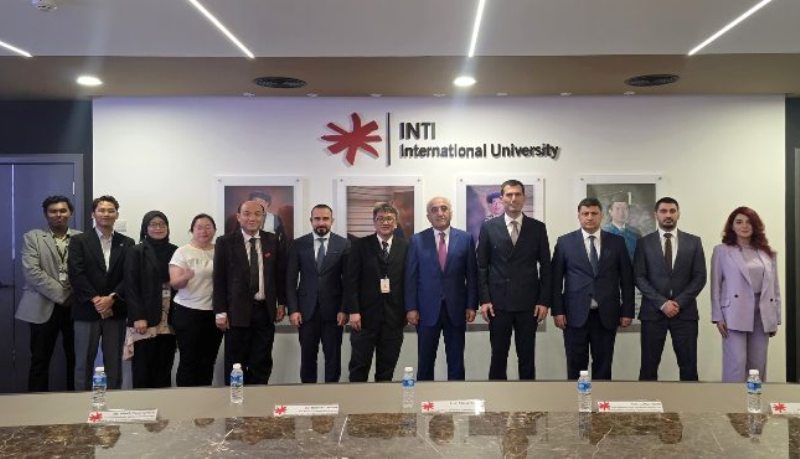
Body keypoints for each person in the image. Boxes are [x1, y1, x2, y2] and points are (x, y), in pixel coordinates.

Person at [551, 197, 634, 380]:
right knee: (576, 365)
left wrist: (627, 311)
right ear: (579, 216)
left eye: (594, 213)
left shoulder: (617, 242)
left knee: (603, 365)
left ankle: (601, 398)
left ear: (601, 215)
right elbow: (555, 280)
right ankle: (579, 397)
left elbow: (627, 280)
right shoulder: (565, 242)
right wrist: (557, 311)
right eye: (585, 213)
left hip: (606, 314)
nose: (589, 217)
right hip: (574, 315)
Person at [477, 179, 552, 380]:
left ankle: (528, 399)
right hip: (497, 304)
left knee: (527, 357)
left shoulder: (537, 228)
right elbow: (481, 266)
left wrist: (544, 301)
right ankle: (496, 398)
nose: (513, 199)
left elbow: (546, 267)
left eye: (517, 194)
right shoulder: (489, 227)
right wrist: (484, 300)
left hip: (529, 305)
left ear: (523, 198)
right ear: (502, 198)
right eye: (509, 194)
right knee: (498, 357)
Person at [214, 200, 287, 385]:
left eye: (257, 214)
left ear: (263, 217)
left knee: (261, 361)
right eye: (247, 214)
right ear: (238, 217)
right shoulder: (225, 242)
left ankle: (258, 400)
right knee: (236, 362)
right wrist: (220, 311)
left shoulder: (272, 240)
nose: (252, 218)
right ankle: (236, 399)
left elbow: (279, 275)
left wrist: (281, 302)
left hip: (265, 311)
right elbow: (219, 279)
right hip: (236, 312)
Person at [405, 197, 478, 381]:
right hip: (426, 311)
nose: (440, 213)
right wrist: (411, 307)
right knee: (425, 361)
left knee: (456, 361)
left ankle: (457, 396)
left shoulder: (466, 239)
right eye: (434, 209)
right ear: (428, 216)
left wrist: (471, 305)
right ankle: (424, 397)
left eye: (444, 208)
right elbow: (411, 277)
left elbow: (472, 275)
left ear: (450, 212)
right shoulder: (417, 240)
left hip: (456, 310)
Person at [634, 197, 707, 381]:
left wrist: (678, 303)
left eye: (672, 211)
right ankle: (646, 401)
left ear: (678, 214)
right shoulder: (644, 243)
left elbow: (700, 277)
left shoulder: (693, 242)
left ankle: (689, 400)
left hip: (685, 314)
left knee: (689, 367)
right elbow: (639, 277)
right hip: (653, 313)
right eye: (663, 211)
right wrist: (662, 303)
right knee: (648, 367)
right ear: (656, 215)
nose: (668, 215)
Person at [68, 195, 135, 390]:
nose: (106, 214)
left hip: (115, 310)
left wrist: (111, 298)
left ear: (116, 215)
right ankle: (81, 402)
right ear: (93, 214)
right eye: (101, 210)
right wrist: (97, 300)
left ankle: (112, 402)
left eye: (110, 210)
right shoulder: (79, 241)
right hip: (86, 310)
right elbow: (76, 273)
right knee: (83, 363)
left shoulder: (127, 242)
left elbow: (129, 275)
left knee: (114, 363)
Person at [16, 196, 81, 392]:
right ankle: (36, 403)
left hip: (75, 308)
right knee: (40, 360)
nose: (58, 214)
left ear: (70, 213)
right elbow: (32, 272)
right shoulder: (33, 237)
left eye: (63, 210)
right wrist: (63, 295)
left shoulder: (82, 237)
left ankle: (75, 401)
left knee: (76, 359)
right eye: (53, 211)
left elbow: (87, 271)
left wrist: (73, 295)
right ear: (46, 214)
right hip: (41, 306)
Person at [711, 207, 780, 382]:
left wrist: (775, 318)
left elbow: (775, 288)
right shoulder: (722, 251)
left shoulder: (768, 253)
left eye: (749, 222)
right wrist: (717, 316)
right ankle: (732, 400)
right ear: (732, 226)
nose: (744, 226)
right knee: (736, 363)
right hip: (734, 313)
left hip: (762, 313)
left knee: (757, 366)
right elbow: (715, 286)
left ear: (756, 225)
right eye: (739, 222)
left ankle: (754, 399)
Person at [345, 203, 409, 382]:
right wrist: (354, 311)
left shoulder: (405, 247)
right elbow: (351, 281)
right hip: (364, 318)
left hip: (394, 318)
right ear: (374, 222)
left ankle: (383, 400)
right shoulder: (360, 245)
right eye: (380, 219)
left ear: (395, 223)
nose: (385, 222)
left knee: (386, 369)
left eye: (389, 219)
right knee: (359, 367)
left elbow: (409, 282)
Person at [287, 204, 350, 383]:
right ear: (311, 221)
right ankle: (308, 395)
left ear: (332, 221)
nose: (321, 222)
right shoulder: (298, 244)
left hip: (334, 313)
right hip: (306, 312)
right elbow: (290, 280)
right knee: (308, 358)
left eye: (325, 219)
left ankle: (331, 395)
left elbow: (349, 282)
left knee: (333, 359)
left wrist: (344, 309)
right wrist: (293, 309)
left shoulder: (343, 244)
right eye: (317, 219)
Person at [124, 211, 178, 388]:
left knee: (164, 367)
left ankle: (163, 404)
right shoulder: (136, 251)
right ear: (145, 228)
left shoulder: (176, 251)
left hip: (169, 318)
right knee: (143, 368)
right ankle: (142, 404)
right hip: (145, 317)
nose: (158, 228)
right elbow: (131, 286)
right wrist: (138, 316)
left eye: (162, 224)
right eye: (153, 224)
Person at [169, 214, 222, 386]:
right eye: (199, 227)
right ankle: (186, 399)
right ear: (192, 230)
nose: (204, 231)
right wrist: (185, 277)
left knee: (208, 360)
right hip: (187, 312)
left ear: (214, 230)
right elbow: (175, 283)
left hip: (213, 313)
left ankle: (204, 399)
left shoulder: (220, 250)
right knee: (189, 360)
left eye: (208, 227)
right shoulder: (182, 252)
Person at [602, 194, 641, 260]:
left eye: (625, 209)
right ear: (610, 211)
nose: (621, 213)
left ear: (629, 211)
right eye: (617, 209)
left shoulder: (635, 233)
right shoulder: (603, 232)